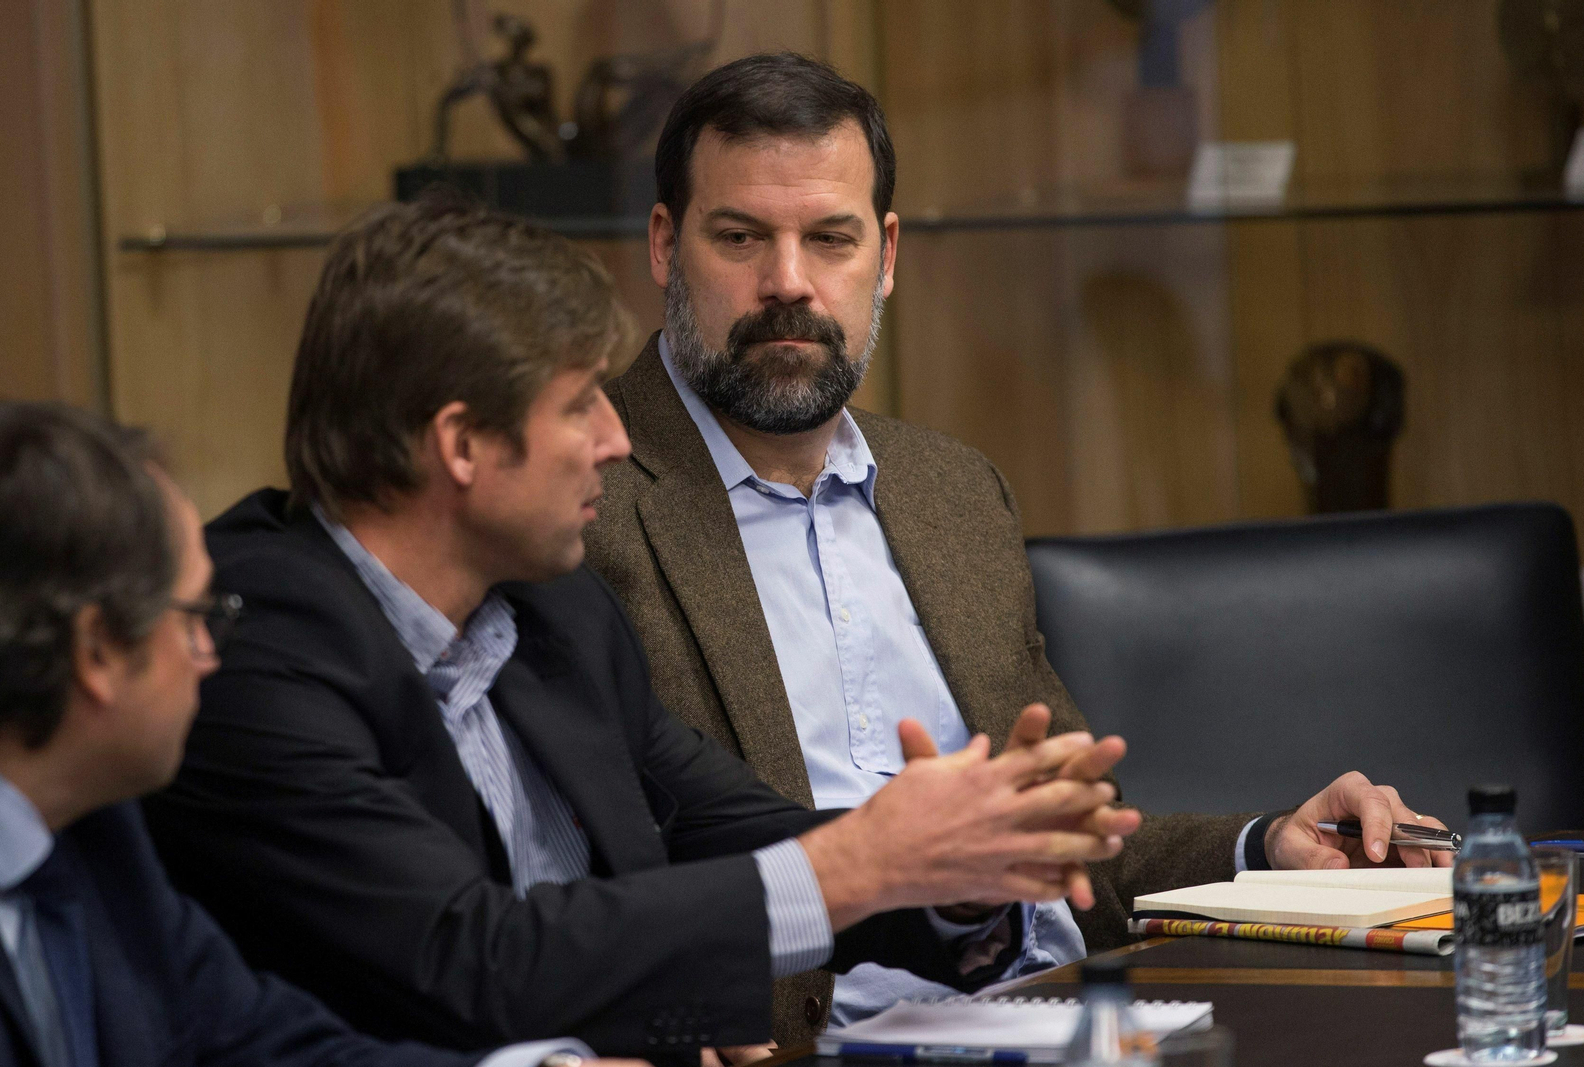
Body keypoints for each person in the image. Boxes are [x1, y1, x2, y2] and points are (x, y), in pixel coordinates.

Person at [143, 198, 1142, 1064]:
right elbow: (468, 953)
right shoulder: (252, 650)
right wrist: (860, 862)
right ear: (459, 444)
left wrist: (953, 865)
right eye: (581, 405)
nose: (618, 441)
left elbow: (729, 830)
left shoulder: (553, 609)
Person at [580, 52, 1453, 1040]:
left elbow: (1074, 857)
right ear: (663, 244)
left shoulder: (951, 490)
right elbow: (569, 892)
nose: (789, 283)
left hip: (1074, 1011)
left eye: (831, 238)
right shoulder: (578, 499)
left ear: (889, 253)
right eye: (740, 237)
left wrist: (1267, 845)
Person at [0, 401, 635, 1067]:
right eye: (195, 617)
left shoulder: (97, 835)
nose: (211, 655)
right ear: (97, 652)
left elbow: (258, 1044)